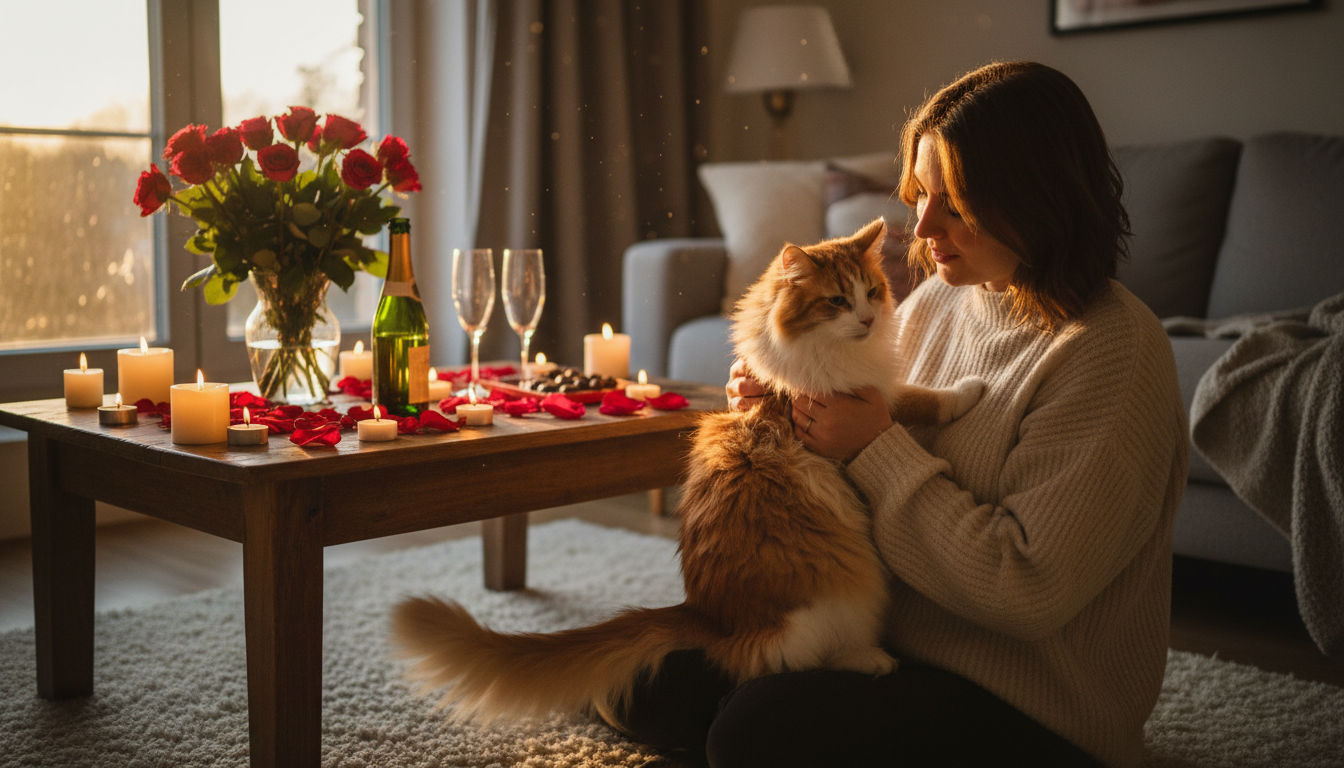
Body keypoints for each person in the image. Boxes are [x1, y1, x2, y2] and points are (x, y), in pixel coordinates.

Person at [609, 61, 1189, 767]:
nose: (923, 226)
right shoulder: (947, 296)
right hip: (889, 638)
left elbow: (1025, 589)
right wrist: (783, 415)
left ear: (1034, 197)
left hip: (1030, 700)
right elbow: (845, 446)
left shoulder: (1113, 351)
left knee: (752, 732)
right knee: (633, 678)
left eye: (956, 203)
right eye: (920, 195)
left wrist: (874, 447)